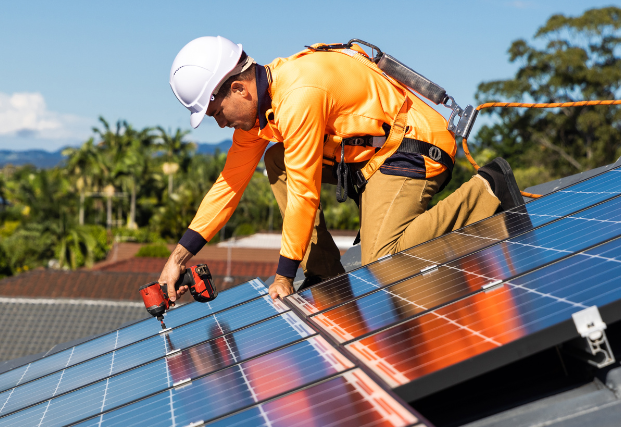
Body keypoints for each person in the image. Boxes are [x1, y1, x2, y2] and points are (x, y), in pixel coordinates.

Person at [158, 36, 525, 302]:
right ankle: (325, 274)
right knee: (276, 159)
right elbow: (228, 185)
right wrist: (178, 258)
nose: (220, 124)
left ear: (239, 89)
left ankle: (487, 189)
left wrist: (284, 276)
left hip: (413, 146)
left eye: (217, 113)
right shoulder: (261, 114)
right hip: (370, 160)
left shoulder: (299, 94)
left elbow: (305, 191)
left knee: (383, 258)